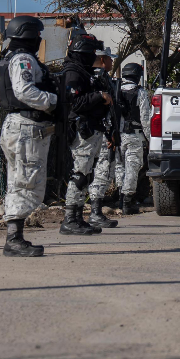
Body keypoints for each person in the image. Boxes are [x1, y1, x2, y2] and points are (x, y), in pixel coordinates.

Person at [0, 16, 57, 258]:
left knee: (19, 182)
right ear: (28, 35)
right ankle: (14, 240)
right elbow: (24, 91)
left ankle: (15, 237)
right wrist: (53, 101)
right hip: (25, 128)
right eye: (37, 35)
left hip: (20, 127)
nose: (40, 39)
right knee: (27, 183)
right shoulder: (23, 59)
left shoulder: (12, 57)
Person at [60, 31, 114, 234]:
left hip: (91, 130)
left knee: (87, 174)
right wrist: (99, 96)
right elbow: (76, 103)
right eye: (91, 52)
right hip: (82, 131)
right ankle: (70, 218)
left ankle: (78, 216)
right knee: (80, 174)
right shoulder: (73, 73)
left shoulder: (84, 72)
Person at [85, 48, 122, 228]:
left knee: (95, 171)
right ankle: (95, 212)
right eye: (109, 58)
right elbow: (106, 109)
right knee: (103, 171)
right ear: (101, 59)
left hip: (92, 131)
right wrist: (110, 133)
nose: (111, 62)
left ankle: (92, 211)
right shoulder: (101, 79)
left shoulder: (89, 76)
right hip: (102, 132)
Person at [115, 61, 153, 214]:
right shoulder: (140, 93)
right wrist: (151, 139)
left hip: (117, 136)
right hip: (134, 136)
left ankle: (119, 197)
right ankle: (127, 201)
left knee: (119, 167)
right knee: (132, 167)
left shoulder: (115, 90)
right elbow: (145, 119)